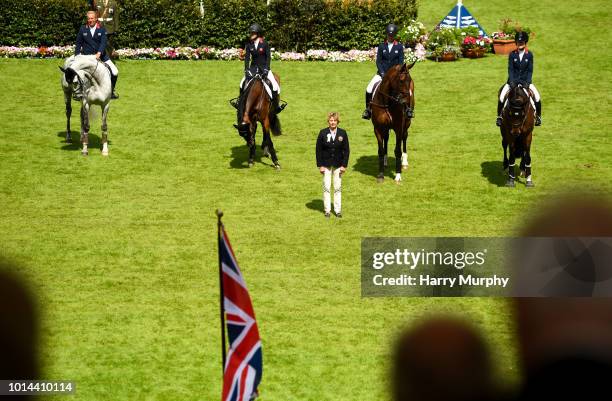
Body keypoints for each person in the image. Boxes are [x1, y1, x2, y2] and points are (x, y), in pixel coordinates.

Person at [233, 23, 284, 114]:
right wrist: (246, 69)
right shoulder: (249, 44)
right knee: (242, 84)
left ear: (258, 34)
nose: (251, 35)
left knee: (275, 86)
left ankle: (276, 106)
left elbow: (268, 57)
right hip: (253, 69)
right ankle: (239, 103)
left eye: (253, 33)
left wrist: (266, 69)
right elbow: (247, 58)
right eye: (250, 33)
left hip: (264, 68)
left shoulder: (264, 43)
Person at [362, 23, 408, 120]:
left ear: (394, 36)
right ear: (386, 35)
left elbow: (400, 62)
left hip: (395, 75)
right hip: (381, 74)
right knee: (369, 88)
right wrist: (383, 73)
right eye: (389, 35)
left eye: (392, 35)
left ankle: (408, 109)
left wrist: (396, 74)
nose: (390, 37)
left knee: (405, 90)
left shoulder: (399, 47)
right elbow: (378, 61)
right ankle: (368, 110)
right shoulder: (382, 46)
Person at [496, 31, 541, 126]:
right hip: (512, 82)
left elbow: (530, 70)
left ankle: (538, 117)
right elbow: (510, 69)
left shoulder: (529, 55)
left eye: (522, 42)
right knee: (501, 97)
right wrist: (512, 81)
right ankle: (499, 117)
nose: (520, 44)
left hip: (525, 82)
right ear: (516, 43)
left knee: (537, 97)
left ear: (525, 43)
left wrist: (527, 83)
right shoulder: (512, 54)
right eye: (518, 42)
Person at [75, 10, 120, 99]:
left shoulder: (102, 29)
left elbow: (103, 43)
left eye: (92, 18)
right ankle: (78, 92)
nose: (90, 20)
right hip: (87, 57)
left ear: (96, 19)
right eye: (89, 19)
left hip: (101, 56)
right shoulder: (83, 29)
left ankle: (111, 91)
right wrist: (77, 55)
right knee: (76, 72)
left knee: (115, 72)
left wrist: (99, 53)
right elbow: (78, 43)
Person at [316, 112, 350, 218]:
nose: (333, 122)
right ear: (328, 121)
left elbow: (347, 150)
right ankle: (327, 210)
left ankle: (338, 210)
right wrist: (320, 165)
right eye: (331, 120)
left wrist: (344, 165)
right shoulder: (322, 133)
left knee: (337, 188)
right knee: (326, 187)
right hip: (325, 165)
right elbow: (318, 150)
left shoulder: (343, 133)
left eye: (334, 120)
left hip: (338, 165)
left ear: (337, 122)